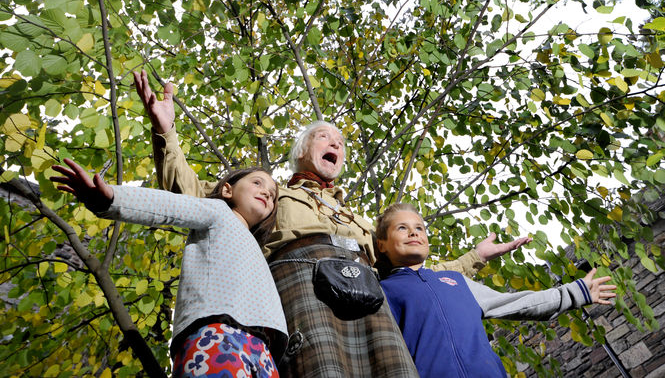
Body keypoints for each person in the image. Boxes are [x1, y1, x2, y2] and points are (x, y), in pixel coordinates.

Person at [134, 69, 531, 377]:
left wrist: (473, 258)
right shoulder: (268, 192)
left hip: (369, 300)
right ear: (302, 151)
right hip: (303, 292)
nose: (336, 144)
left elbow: (412, 271)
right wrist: (165, 130)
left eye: (340, 143)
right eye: (325, 137)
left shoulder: (360, 221)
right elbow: (188, 191)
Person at [50, 159, 288, 378]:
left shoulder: (260, 249)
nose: (267, 192)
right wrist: (111, 198)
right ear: (227, 189)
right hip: (217, 334)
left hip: (264, 351)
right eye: (257, 183)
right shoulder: (218, 212)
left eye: (273, 195)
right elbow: (170, 206)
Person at [375, 203, 618, 378]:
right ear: (382, 244)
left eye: (419, 228)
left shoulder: (455, 281)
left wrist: (576, 292)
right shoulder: (383, 292)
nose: (414, 232)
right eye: (402, 228)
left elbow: (519, 303)